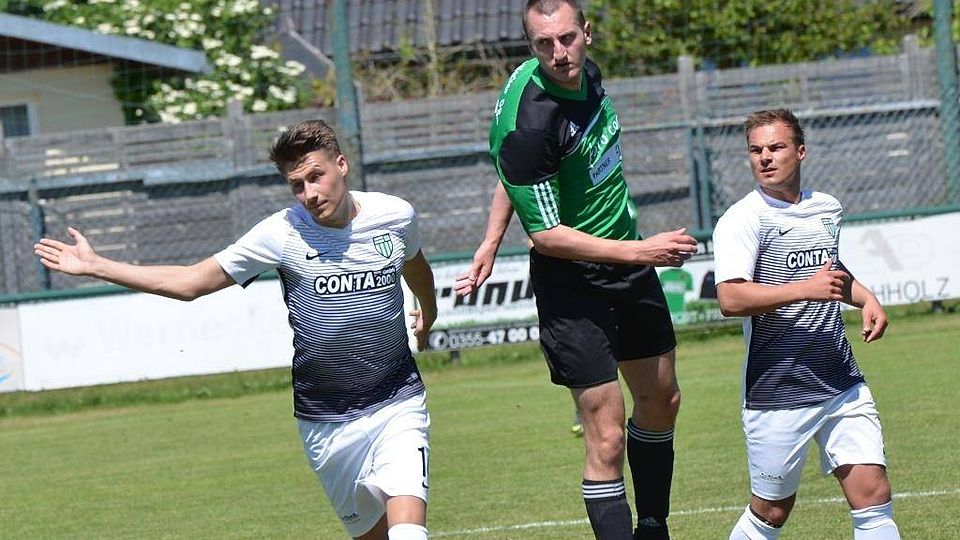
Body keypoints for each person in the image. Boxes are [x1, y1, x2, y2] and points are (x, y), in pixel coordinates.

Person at [33, 120, 438, 540]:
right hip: (325, 421)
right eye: (297, 185)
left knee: (408, 533)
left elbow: (415, 266)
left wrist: (428, 311)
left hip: (397, 400)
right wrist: (97, 266)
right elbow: (191, 283)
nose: (310, 194)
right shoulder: (281, 233)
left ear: (341, 164)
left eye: (316, 176)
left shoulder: (394, 215)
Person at [454, 1, 698, 538]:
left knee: (663, 401)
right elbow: (546, 232)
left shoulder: (587, 73)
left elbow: (521, 176)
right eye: (544, 44)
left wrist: (490, 241)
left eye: (566, 38)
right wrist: (644, 252)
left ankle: (652, 526)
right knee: (606, 437)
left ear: (586, 33)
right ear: (530, 46)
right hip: (573, 280)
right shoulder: (529, 121)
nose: (559, 53)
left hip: (626, 260)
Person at [712, 108, 900, 540]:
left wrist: (865, 298)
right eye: (755, 150)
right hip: (778, 388)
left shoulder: (826, 208)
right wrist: (804, 289)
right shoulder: (743, 219)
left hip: (841, 381)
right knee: (772, 511)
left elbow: (830, 272)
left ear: (800, 151)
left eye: (776, 147)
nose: (765, 157)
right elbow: (731, 298)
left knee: (873, 494)